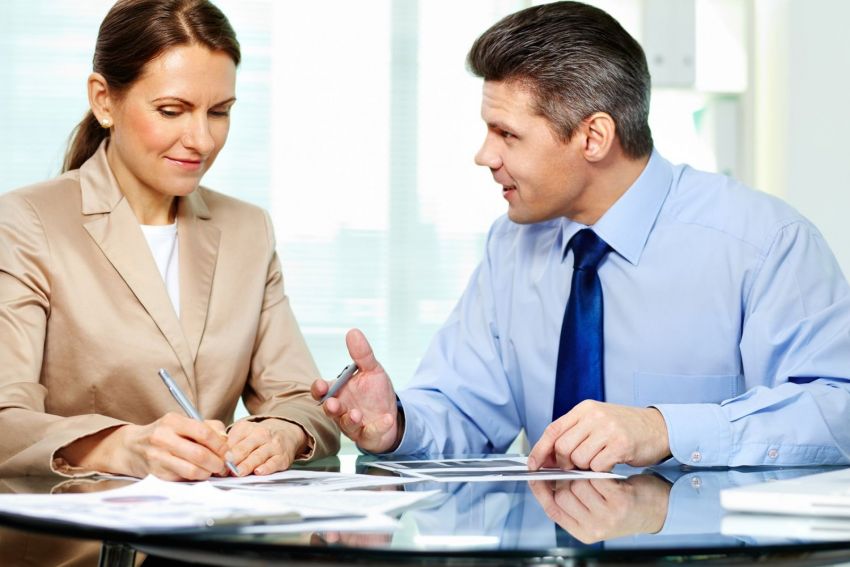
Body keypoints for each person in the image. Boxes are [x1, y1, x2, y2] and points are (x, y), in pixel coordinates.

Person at [312, 1, 850, 470]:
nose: (484, 155)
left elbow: (835, 410)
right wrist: (397, 424)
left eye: (507, 134)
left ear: (593, 136)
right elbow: (467, 408)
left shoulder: (763, 243)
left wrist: (665, 430)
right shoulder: (511, 245)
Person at [0, 0, 338, 480]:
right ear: (103, 100)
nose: (201, 139)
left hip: (209, 539)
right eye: (171, 110)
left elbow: (306, 401)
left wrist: (279, 434)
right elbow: (4, 417)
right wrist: (121, 447)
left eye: (219, 112)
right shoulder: (26, 222)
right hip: (84, 546)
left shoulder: (247, 230)